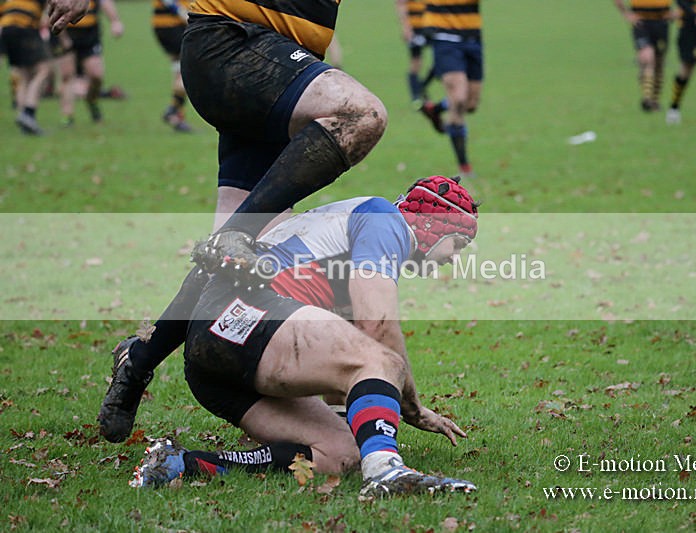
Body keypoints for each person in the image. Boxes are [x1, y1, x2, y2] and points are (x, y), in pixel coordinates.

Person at [97, 0, 388, 443]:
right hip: (234, 44)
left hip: (273, 66)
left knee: (234, 259)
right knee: (361, 114)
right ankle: (239, 233)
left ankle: (140, 355)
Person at [127, 176, 480, 498]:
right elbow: (378, 326)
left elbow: (339, 366)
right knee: (383, 357)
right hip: (245, 313)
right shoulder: (385, 219)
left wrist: (367, 420)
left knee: (340, 453)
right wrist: (413, 408)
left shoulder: (349, 248)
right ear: (433, 224)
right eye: (459, 243)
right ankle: (387, 472)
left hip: (212, 364)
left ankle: (180, 463)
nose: (454, 258)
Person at [402, 0, 483, 178]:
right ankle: (464, 167)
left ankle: (435, 109)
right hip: (444, 37)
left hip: (473, 36)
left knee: (471, 103)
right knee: (458, 99)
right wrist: (409, 26)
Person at [56, 0, 123, 125]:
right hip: (65, 32)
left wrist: (115, 21)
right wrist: (63, 37)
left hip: (89, 35)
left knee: (96, 75)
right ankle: (67, 116)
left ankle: (92, 100)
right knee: (67, 75)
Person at [613, 0, 674, 112]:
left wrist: (678, 12)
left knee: (659, 62)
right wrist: (626, 13)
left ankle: (655, 100)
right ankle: (647, 99)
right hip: (641, 22)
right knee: (647, 57)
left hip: (661, 21)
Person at [1, 0, 51, 135]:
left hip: (6, 28)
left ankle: (24, 122)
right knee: (44, 70)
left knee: (24, 75)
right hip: (25, 26)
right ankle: (29, 112)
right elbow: (45, 19)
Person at [152, 0, 191, 132]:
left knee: (179, 69)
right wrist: (180, 12)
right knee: (188, 72)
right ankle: (173, 110)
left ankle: (177, 116)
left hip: (166, 25)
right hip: (174, 24)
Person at [395, 0, 435, 107]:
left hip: (434, 26)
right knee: (416, 62)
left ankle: (421, 87)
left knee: (440, 61)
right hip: (415, 28)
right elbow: (400, 4)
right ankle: (416, 96)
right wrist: (406, 28)